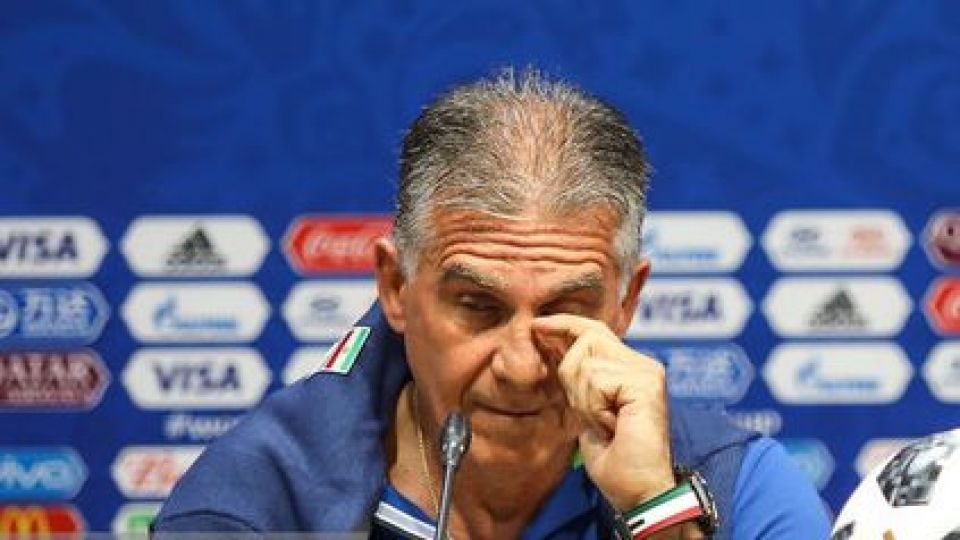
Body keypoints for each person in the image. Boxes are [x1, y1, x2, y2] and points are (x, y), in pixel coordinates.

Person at [153, 70, 830, 539]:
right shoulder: (257, 502)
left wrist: (658, 513)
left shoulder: (741, 487)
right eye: (478, 306)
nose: (521, 366)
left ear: (626, 302)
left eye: (566, 309)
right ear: (395, 288)